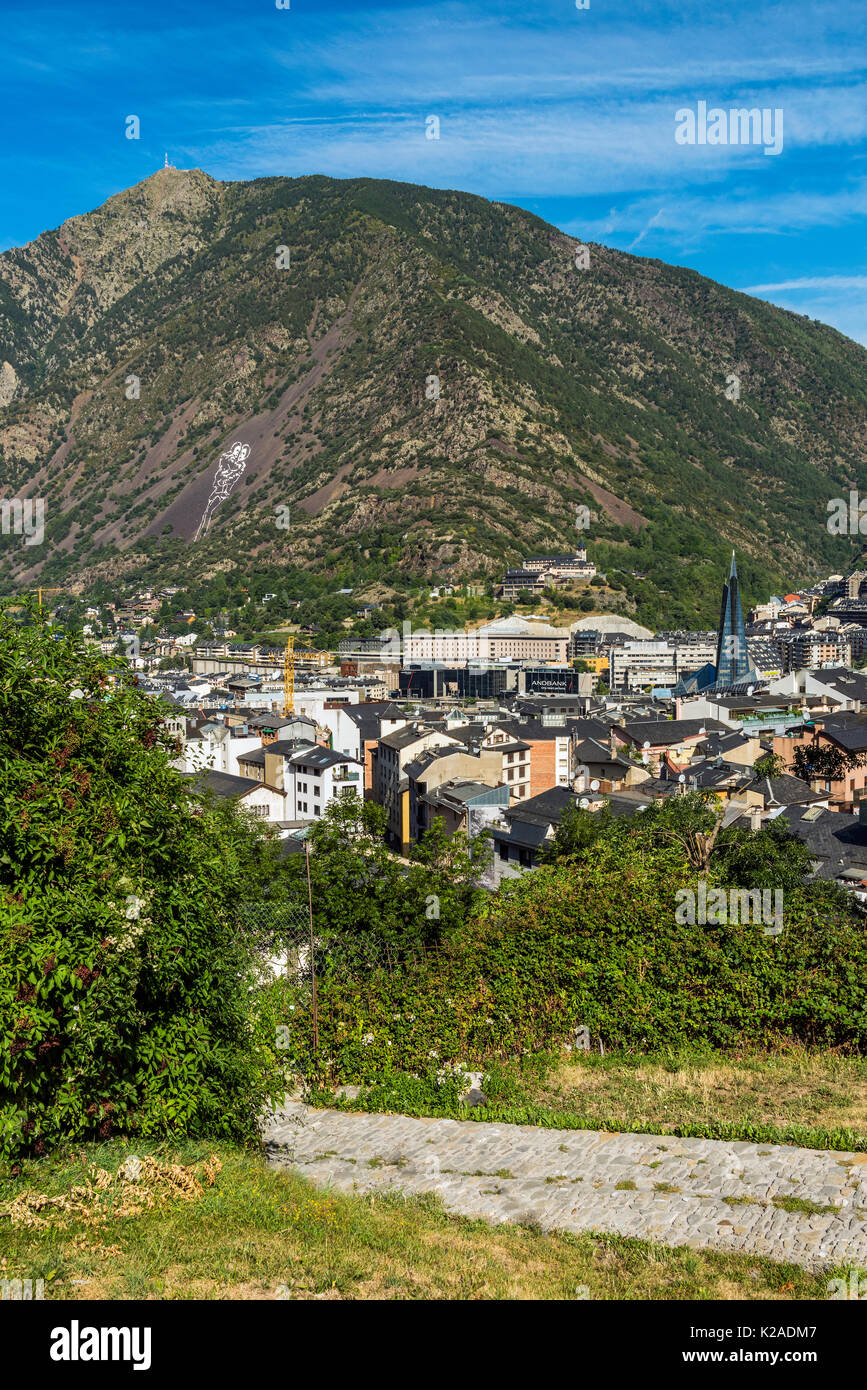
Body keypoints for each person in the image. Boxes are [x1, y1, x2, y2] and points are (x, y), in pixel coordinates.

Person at [194, 441, 250, 541]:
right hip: (218, 487)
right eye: (237, 451)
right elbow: (222, 471)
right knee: (208, 510)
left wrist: (228, 475)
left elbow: (232, 478)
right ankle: (200, 534)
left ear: (245, 456)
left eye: (242, 453)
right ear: (233, 450)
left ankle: (202, 534)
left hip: (224, 491)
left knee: (210, 510)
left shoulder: (240, 466)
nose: (239, 454)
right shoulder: (226, 458)